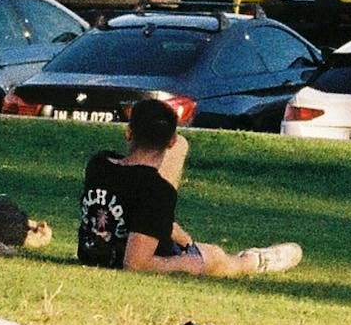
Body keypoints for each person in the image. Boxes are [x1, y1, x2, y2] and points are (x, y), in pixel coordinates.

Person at [77, 99, 300, 277]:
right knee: (217, 257)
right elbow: (135, 264)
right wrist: (186, 262)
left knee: (172, 162)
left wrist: (180, 236)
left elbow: (135, 197)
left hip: (96, 250)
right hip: (140, 254)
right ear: (170, 141)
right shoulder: (156, 190)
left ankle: (198, 244)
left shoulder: (99, 163)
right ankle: (255, 261)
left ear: (128, 133)